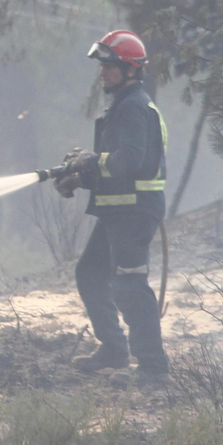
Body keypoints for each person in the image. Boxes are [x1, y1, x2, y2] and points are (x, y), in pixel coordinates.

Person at [54, 29, 171, 379]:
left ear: (131, 69)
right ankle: (114, 349)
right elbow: (114, 164)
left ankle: (153, 367)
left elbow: (132, 161)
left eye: (110, 66)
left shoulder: (134, 107)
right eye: (102, 65)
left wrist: (92, 162)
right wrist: (80, 177)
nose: (103, 72)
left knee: (130, 285)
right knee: (90, 274)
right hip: (118, 211)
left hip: (134, 213)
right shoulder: (122, 106)